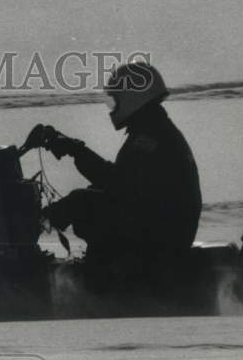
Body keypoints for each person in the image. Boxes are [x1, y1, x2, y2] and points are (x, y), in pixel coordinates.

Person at [24, 60, 202, 296]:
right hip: (164, 228)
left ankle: (25, 257)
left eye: (115, 100)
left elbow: (117, 182)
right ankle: (98, 267)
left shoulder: (150, 139)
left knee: (81, 201)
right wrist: (72, 149)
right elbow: (124, 183)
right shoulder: (154, 130)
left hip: (160, 237)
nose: (113, 107)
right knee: (89, 196)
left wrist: (76, 150)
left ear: (132, 98)